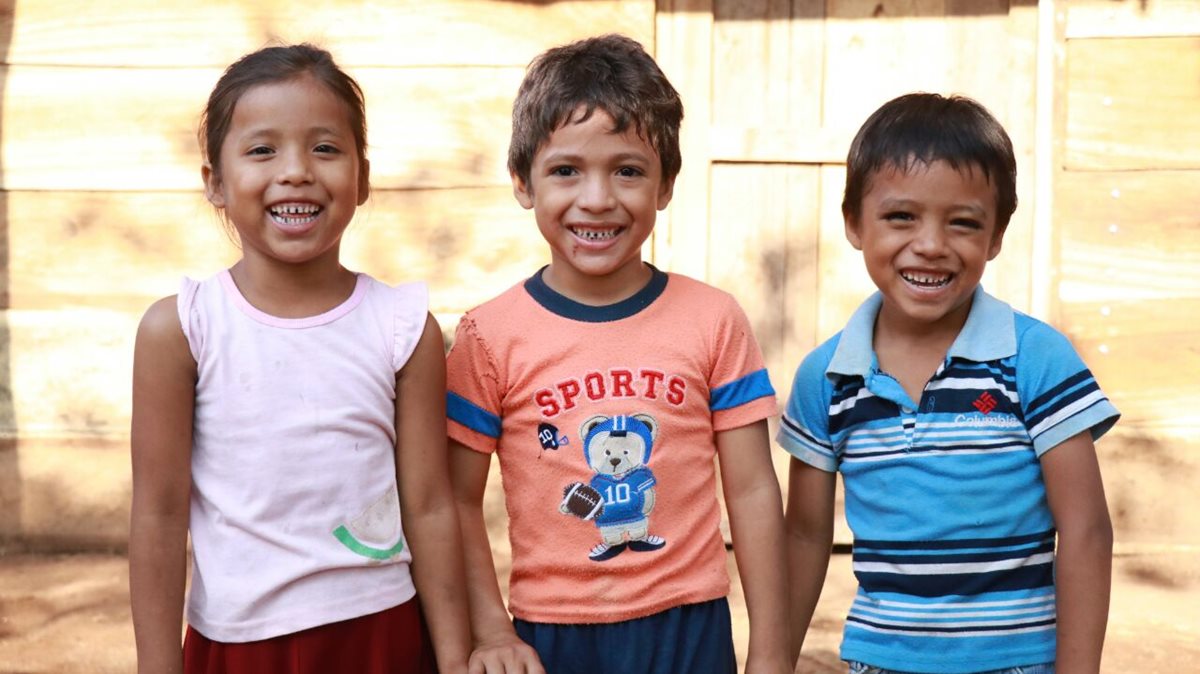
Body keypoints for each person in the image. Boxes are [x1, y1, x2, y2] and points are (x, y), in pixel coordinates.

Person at [444, 34, 791, 674]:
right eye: (566, 170)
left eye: (628, 170)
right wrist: (492, 630)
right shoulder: (488, 336)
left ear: (665, 185)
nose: (598, 198)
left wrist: (770, 653)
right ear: (523, 181)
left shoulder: (713, 319)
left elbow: (752, 489)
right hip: (551, 637)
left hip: (690, 628)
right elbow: (457, 500)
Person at [129, 44, 477, 674]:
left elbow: (428, 504)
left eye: (325, 148)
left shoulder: (402, 328)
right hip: (238, 643)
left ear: (363, 177)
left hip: (382, 633)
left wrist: (454, 658)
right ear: (215, 181)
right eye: (262, 150)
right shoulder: (182, 329)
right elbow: (157, 515)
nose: (296, 172)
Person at [779, 92, 1119, 674]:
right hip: (879, 662)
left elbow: (1085, 531)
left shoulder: (1034, 358)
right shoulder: (828, 376)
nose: (932, 244)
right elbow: (806, 537)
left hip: (1018, 663)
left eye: (963, 223)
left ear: (995, 236)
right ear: (854, 222)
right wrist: (772, 659)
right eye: (901, 216)